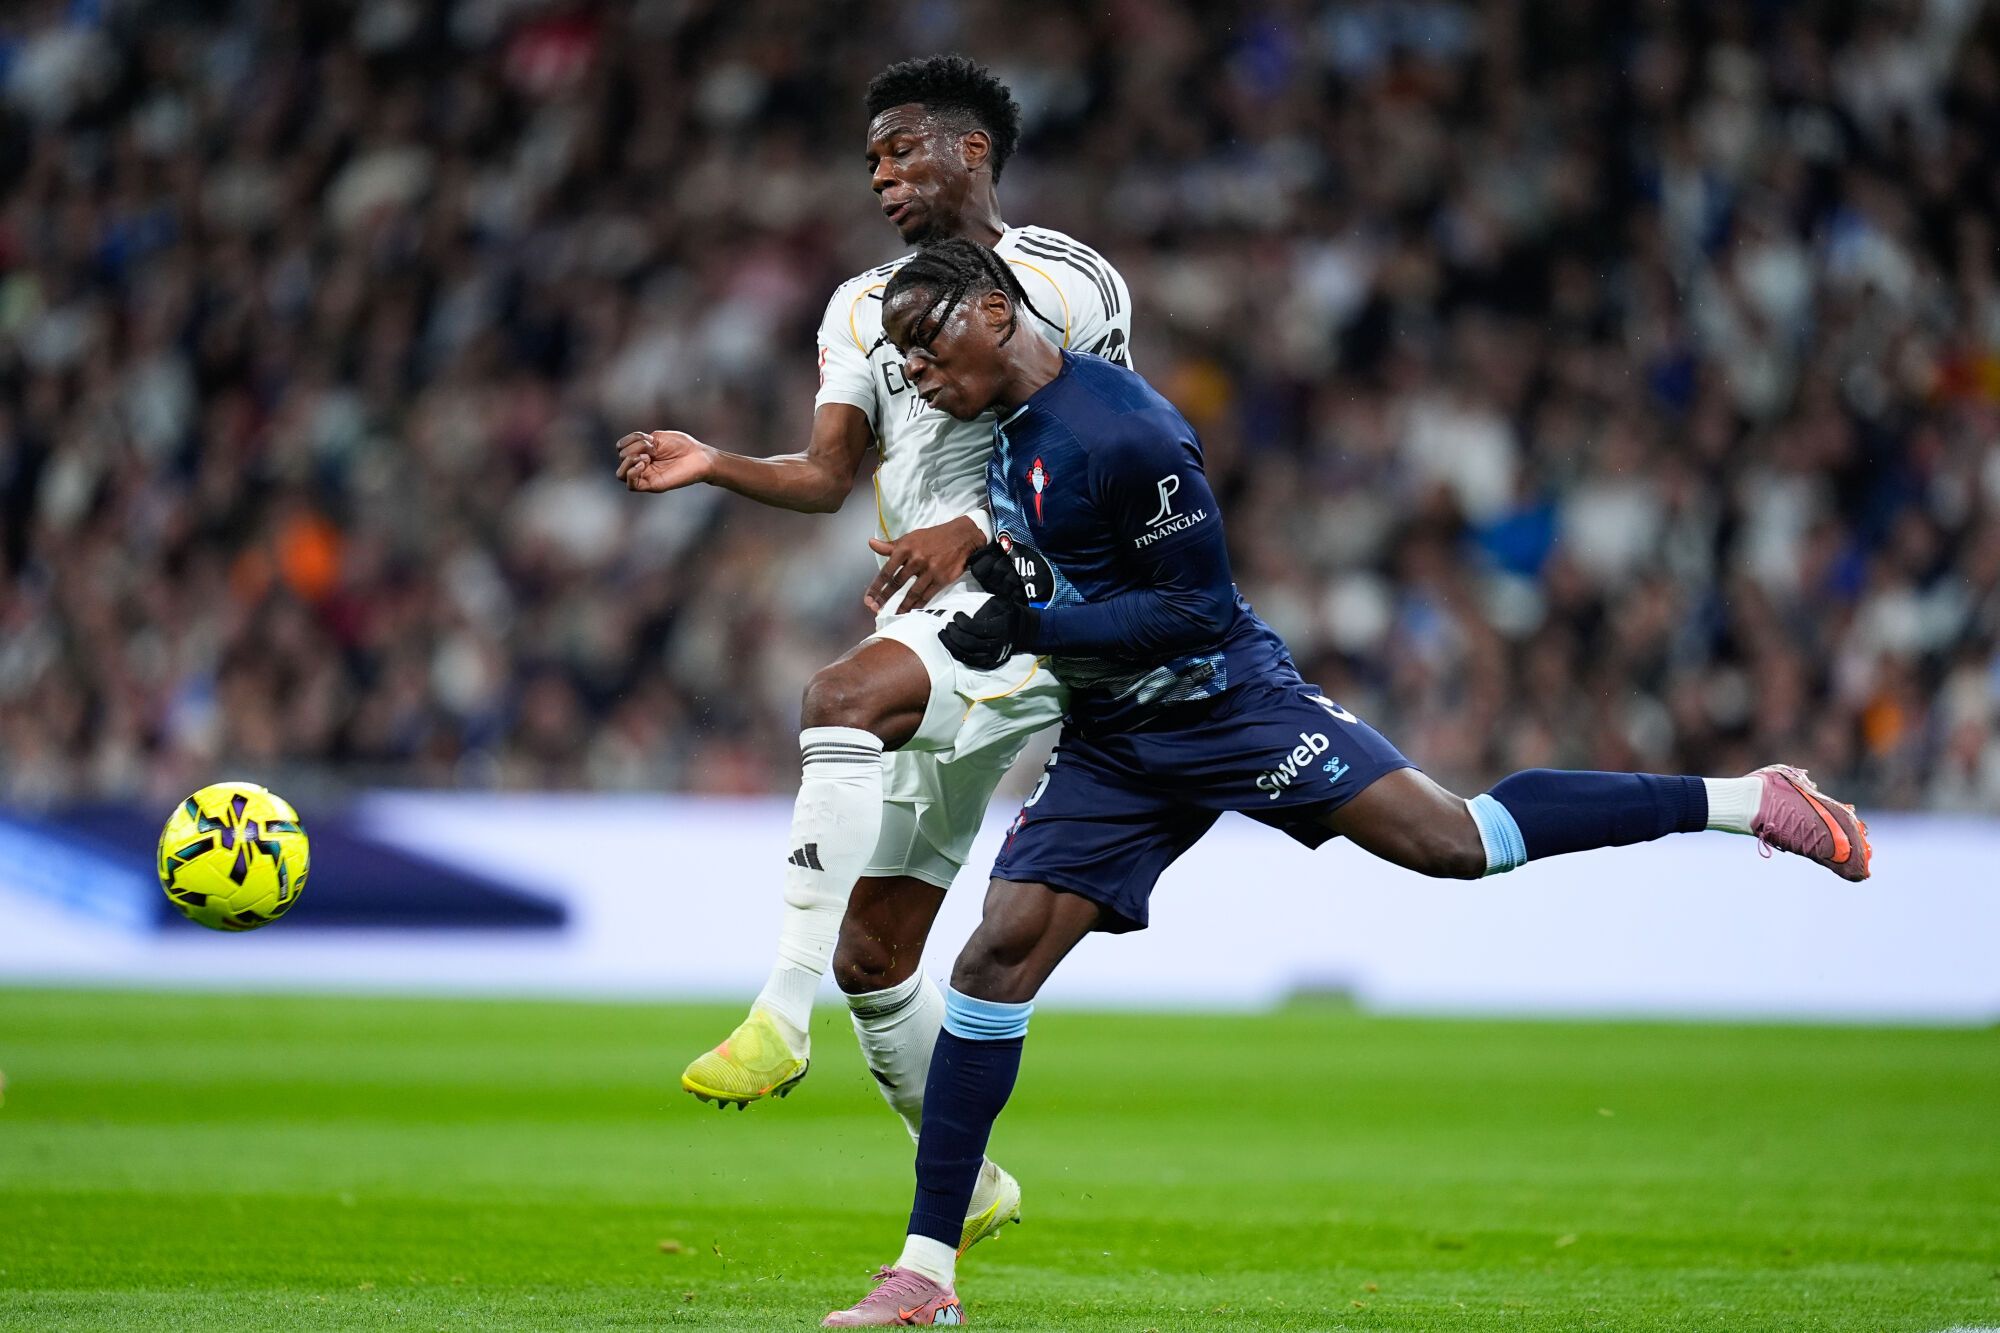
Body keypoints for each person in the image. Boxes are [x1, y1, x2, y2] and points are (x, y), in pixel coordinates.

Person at [819, 237, 1872, 1326]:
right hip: (1117, 741)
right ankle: (924, 1274)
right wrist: (987, 571)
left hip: (1230, 707)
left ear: (993, 314)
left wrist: (1026, 621)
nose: (920, 373)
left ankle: (1748, 797)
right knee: (992, 962)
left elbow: (1191, 610)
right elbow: (1070, 560)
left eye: (927, 344)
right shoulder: (1006, 429)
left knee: (1460, 842)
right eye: (902, 355)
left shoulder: (1126, 431)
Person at [615, 57, 1132, 1252]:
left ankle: (773, 1017)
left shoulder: (1069, 280)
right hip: (933, 611)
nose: (883, 175)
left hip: (1032, 595)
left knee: (838, 695)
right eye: (871, 162)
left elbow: (1116, 451)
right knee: (877, 956)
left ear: (972, 151)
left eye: (902, 150)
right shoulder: (856, 304)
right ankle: (974, 1182)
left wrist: (984, 529)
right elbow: (826, 476)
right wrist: (714, 464)